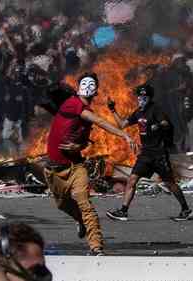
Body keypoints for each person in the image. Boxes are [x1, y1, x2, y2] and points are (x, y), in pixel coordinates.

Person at [43, 73, 137, 256]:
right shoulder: (72, 104)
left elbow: (85, 142)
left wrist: (78, 145)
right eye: (85, 84)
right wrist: (124, 135)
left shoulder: (85, 118)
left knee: (85, 204)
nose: (87, 88)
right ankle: (79, 220)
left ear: (94, 92)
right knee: (62, 204)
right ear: (78, 88)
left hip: (76, 166)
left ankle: (96, 248)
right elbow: (100, 121)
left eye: (91, 85)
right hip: (53, 168)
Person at [106, 83, 193, 222]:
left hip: (159, 153)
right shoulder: (138, 112)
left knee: (170, 183)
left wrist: (157, 125)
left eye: (144, 96)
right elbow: (122, 125)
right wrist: (112, 109)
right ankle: (123, 211)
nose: (141, 99)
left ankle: (185, 209)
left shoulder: (156, 109)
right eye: (139, 96)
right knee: (132, 180)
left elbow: (166, 123)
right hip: (145, 154)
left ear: (149, 97)